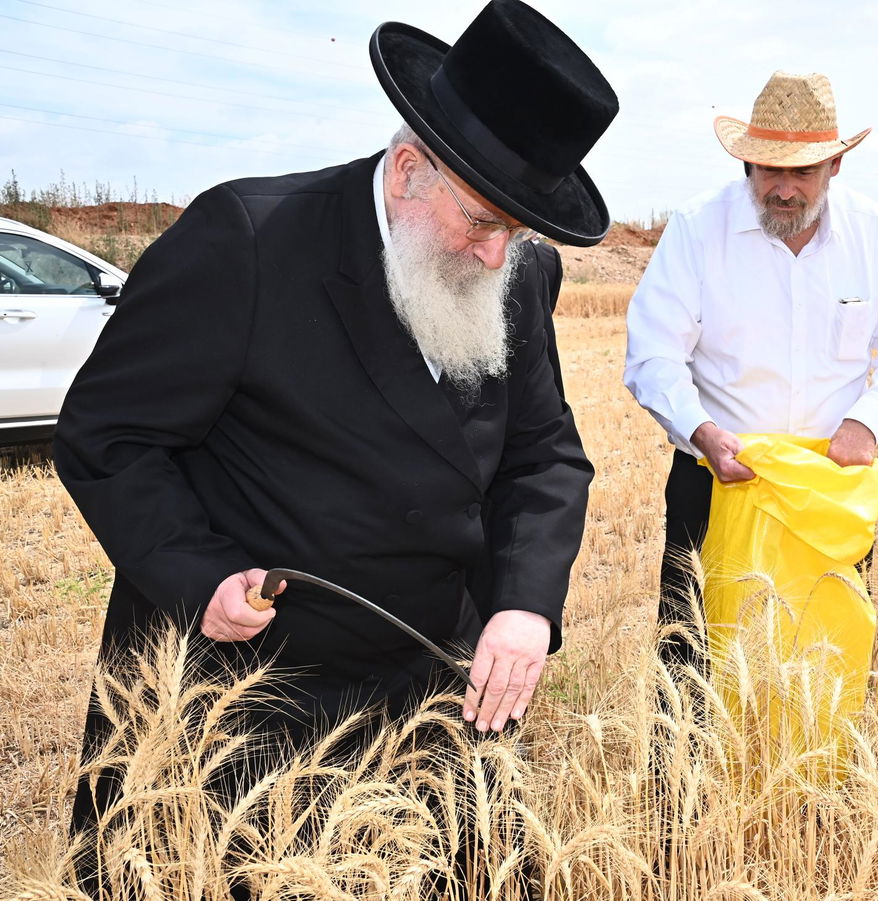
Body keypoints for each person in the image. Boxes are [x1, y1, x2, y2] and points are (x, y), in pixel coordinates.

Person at [55, 0, 617, 835]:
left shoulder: (520, 277)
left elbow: (544, 459)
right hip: (248, 700)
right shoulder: (248, 239)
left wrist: (526, 605)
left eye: (519, 228)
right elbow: (108, 434)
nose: (499, 254)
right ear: (407, 170)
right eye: (481, 219)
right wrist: (199, 575)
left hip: (431, 691)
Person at [623, 71, 878, 672]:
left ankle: (814, 772)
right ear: (747, 165)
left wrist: (866, 422)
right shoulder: (697, 229)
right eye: (772, 170)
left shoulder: (870, 233)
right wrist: (700, 431)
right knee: (694, 671)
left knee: (819, 664)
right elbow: (653, 353)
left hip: (825, 489)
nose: (785, 190)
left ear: (835, 168)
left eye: (803, 172)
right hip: (715, 482)